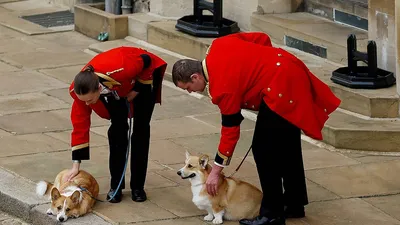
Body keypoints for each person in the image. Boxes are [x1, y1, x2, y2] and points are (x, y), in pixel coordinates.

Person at [171, 32, 341, 225]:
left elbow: (230, 131)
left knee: (263, 150)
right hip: (288, 67)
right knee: (287, 144)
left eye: (188, 87)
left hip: (280, 88)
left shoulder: (221, 88)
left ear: (195, 76)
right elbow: (261, 38)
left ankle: (272, 214)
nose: (190, 92)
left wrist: (216, 172)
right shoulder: (218, 45)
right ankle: (294, 203)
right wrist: (263, 66)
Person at [64, 46, 167, 203]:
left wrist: (137, 89)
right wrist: (76, 165)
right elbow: (80, 126)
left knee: (141, 131)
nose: (87, 104)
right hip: (116, 91)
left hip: (142, 82)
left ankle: (138, 187)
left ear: (98, 88)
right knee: (117, 132)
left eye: (90, 100)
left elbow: (147, 61)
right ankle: (116, 186)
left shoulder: (122, 66)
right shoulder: (81, 92)